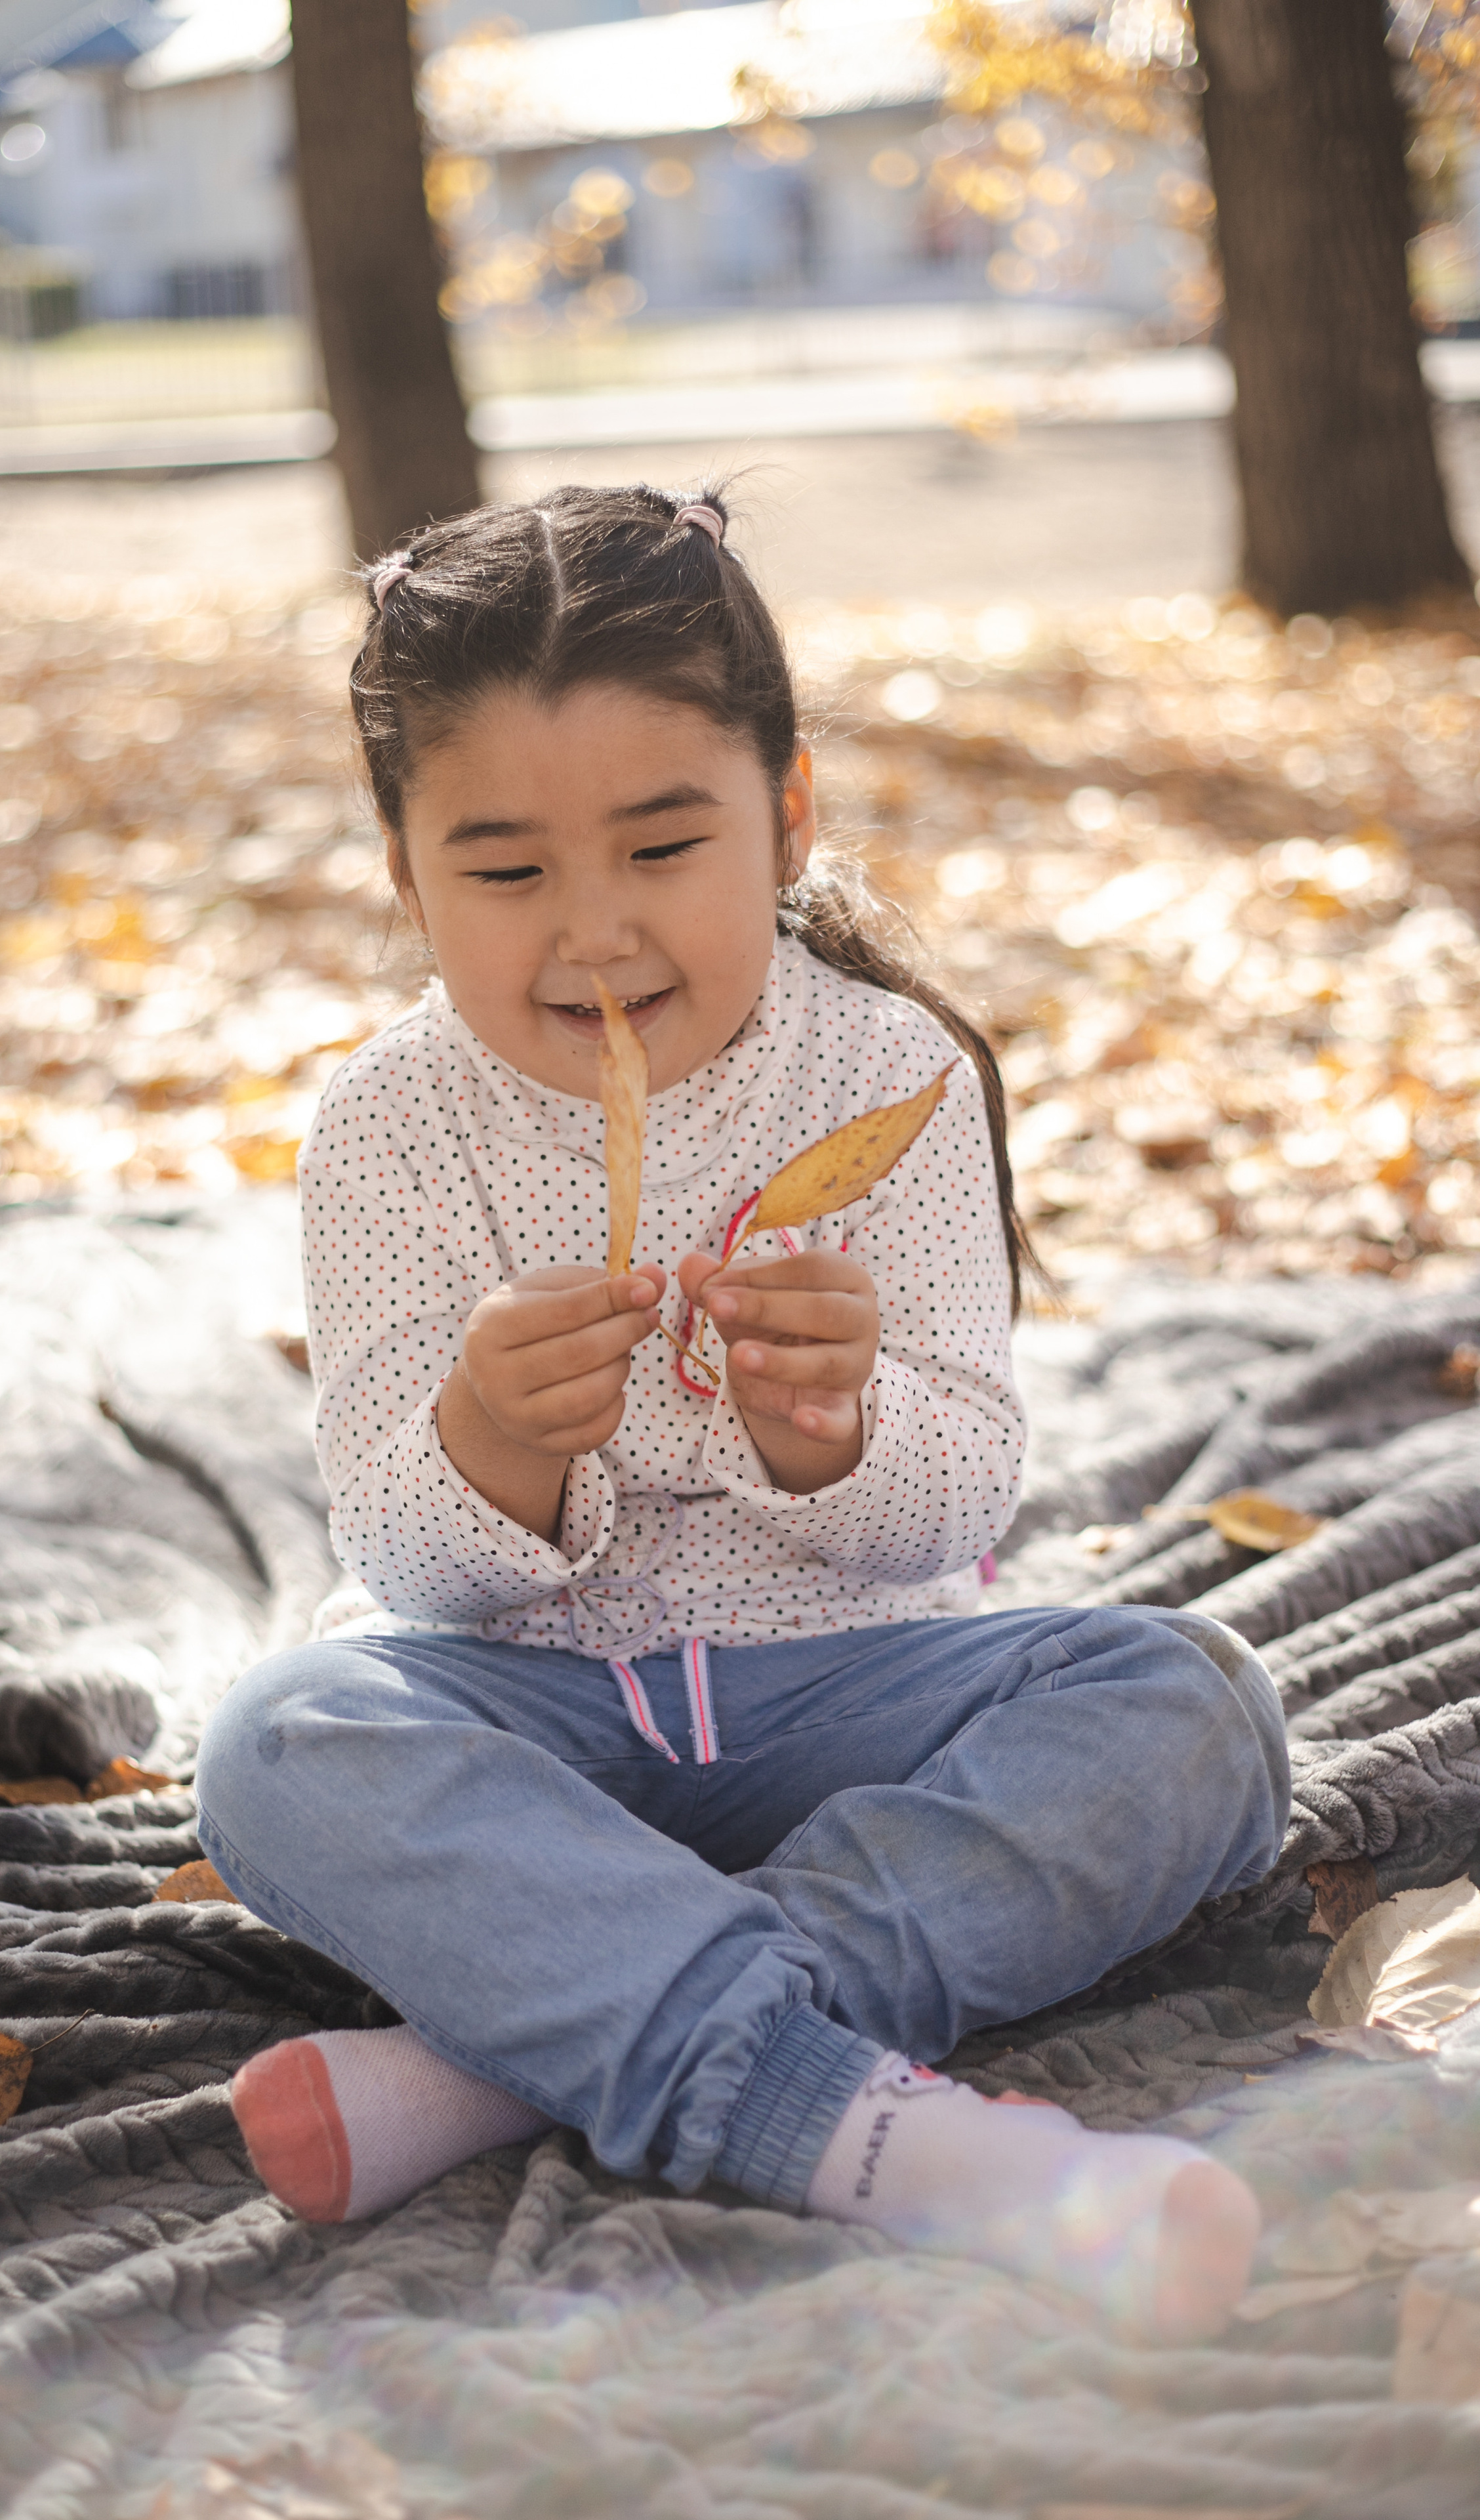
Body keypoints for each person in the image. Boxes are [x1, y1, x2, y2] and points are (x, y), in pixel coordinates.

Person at [194, 485, 1289, 2343]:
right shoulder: (388, 1130)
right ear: (406, 876)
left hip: (848, 1702)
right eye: (506, 873)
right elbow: (398, 1556)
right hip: (533, 1723)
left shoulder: (890, 1076)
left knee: (1197, 1708)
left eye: (661, 844)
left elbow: (968, 1499)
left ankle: (504, 2063)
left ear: (786, 818)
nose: (594, 931)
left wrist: (833, 1433)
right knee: (281, 1740)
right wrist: (495, 1440)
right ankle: (845, 2113)